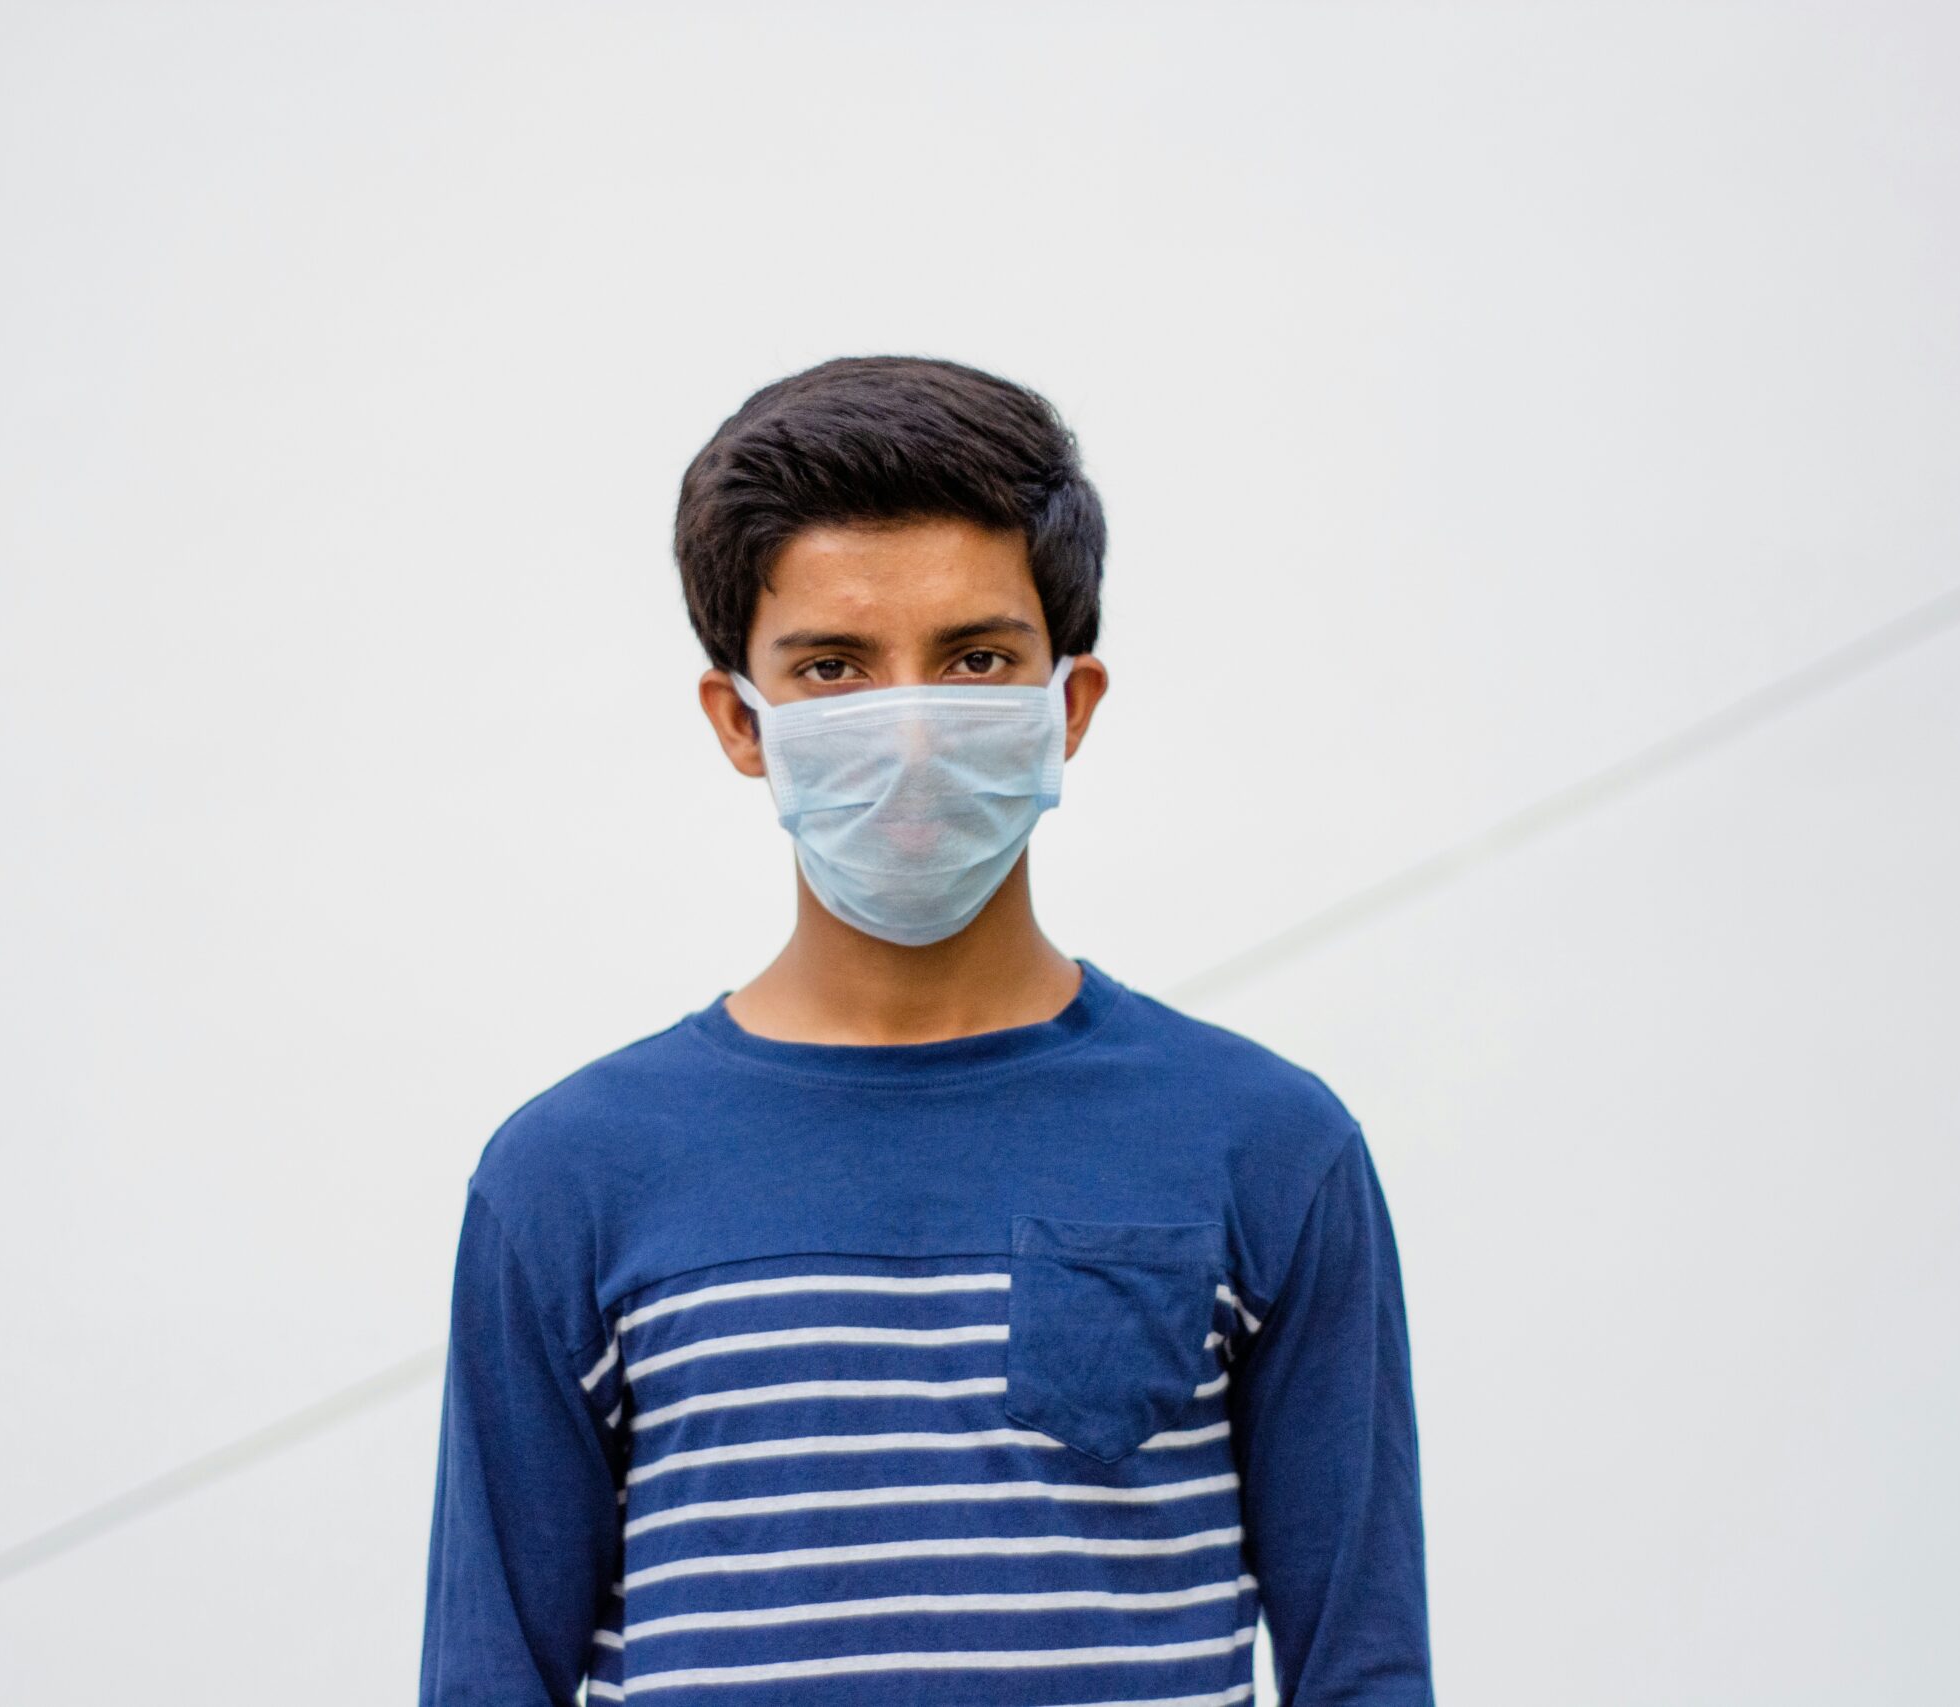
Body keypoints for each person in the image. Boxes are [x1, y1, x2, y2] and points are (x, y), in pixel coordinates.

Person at [418, 354, 1434, 1705]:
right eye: (833, 667)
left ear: (1066, 706)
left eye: (975, 659)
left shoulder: (1266, 1146)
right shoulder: (567, 1180)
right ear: (740, 719)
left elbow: (1365, 1672)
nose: (905, 729)